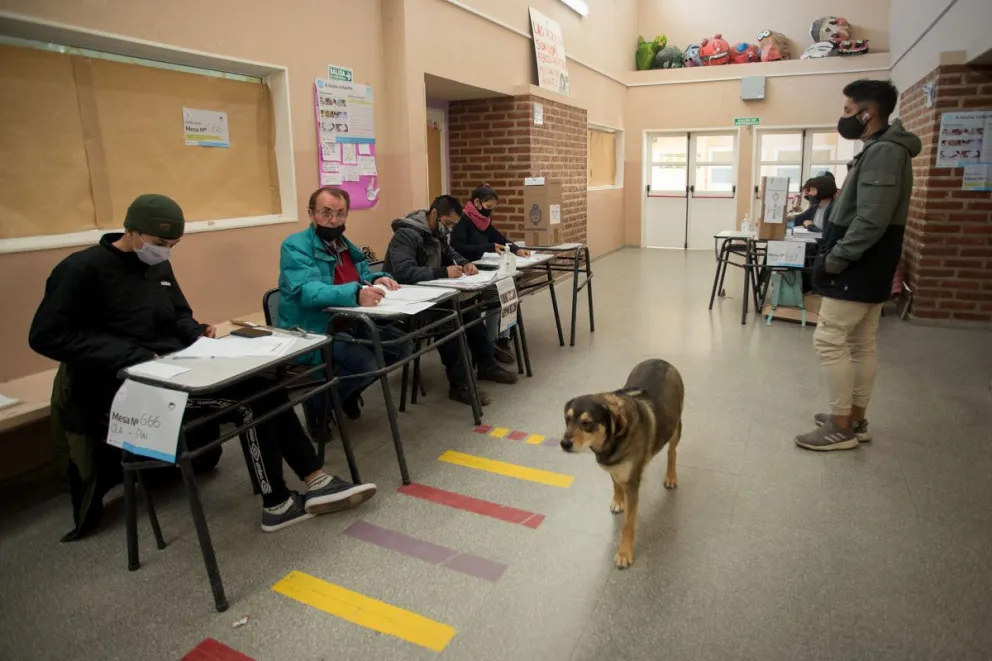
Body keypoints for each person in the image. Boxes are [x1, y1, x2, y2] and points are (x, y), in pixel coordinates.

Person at [29, 194, 375, 536]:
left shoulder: (156, 265)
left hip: (178, 368)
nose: (164, 250)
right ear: (132, 231)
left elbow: (177, 313)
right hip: (126, 387)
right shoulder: (81, 270)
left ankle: (316, 480)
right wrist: (128, 356)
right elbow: (47, 336)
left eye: (172, 244)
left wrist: (197, 331)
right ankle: (278, 504)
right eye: (159, 242)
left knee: (266, 384)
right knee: (250, 402)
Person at [796, 79, 921, 451]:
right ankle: (854, 418)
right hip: (870, 263)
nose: (845, 117)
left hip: (860, 264)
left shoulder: (884, 152)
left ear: (869, 112)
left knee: (830, 340)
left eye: (850, 111)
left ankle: (839, 426)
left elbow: (870, 221)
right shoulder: (880, 149)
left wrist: (835, 259)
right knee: (861, 342)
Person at [277, 186, 409, 420]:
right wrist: (356, 293)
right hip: (313, 330)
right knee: (367, 363)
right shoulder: (295, 246)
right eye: (326, 213)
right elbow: (308, 291)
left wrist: (377, 279)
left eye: (340, 213)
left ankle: (344, 394)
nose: (333, 220)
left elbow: (361, 275)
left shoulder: (346, 246)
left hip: (350, 323)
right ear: (311, 213)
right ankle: (317, 407)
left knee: (399, 347)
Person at [383, 195, 519, 404]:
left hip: (432, 296)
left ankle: (487, 366)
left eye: (453, 226)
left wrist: (465, 264)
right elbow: (403, 272)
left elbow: (451, 252)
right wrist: (443, 272)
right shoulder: (406, 235)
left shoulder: (436, 233)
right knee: (450, 320)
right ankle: (459, 385)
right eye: (448, 224)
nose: (449, 230)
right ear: (435, 214)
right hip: (409, 304)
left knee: (470, 311)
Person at [450, 184, 530, 361]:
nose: (490, 212)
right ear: (477, 203)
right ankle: (492, 341)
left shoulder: (484, 221)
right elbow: (458, 248)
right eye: (488, 207)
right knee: (495, 295)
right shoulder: (463, 222)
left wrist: (516, 249)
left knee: (508, 289)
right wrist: (489, 247)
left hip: (484, 267)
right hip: (468, 269)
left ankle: (504, 338)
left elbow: (499, 238)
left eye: (493, 208)